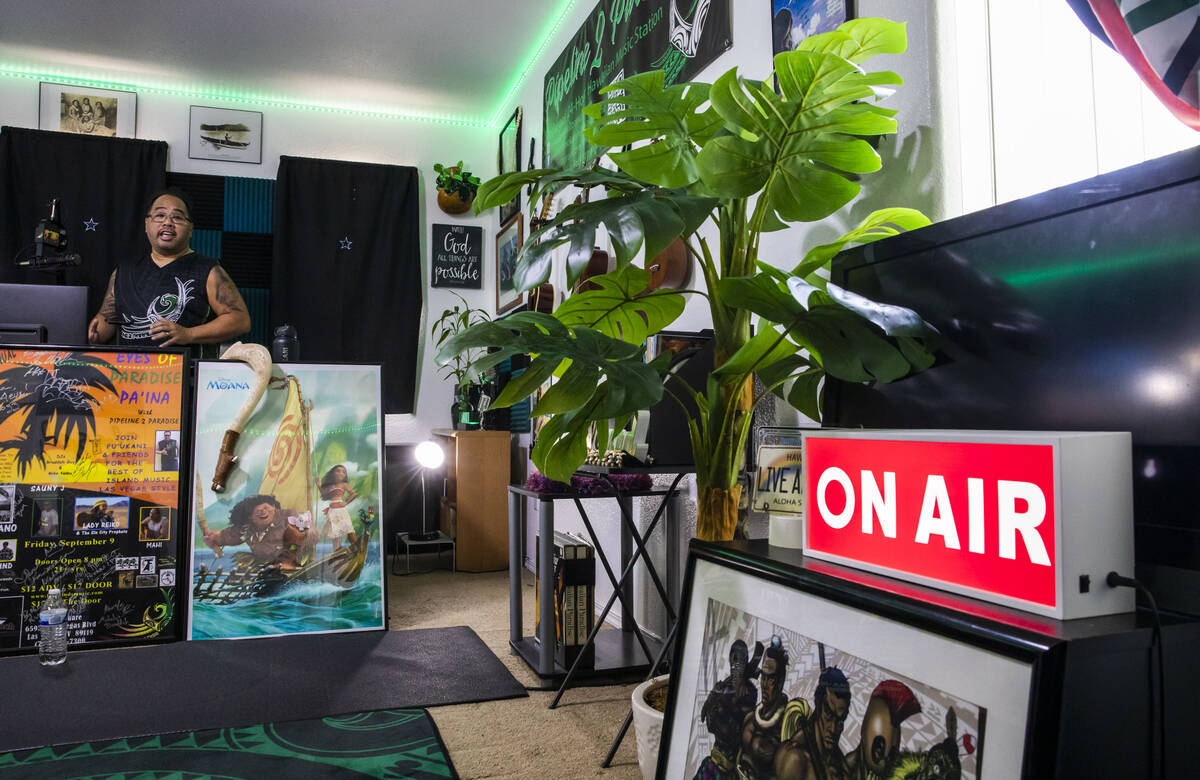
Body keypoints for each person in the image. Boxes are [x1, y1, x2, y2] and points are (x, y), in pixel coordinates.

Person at [87, 187, 251, 356]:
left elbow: (240, 320)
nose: (168, 222)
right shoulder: (123, 272)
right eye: (160, 215)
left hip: (185, 376)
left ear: (190, 229)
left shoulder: (208, 270)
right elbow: (106, 320)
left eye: (177, 217)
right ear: (146, 224)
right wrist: (96, 335)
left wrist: (188, 334)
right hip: (129, 374)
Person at [695, 639, 764, 779]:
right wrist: (725, 700)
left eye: (740, 658)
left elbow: (740, 726)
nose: (736, 662)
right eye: (734, 657)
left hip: (737, 765)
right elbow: (710, 722)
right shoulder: (722, 688)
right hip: (717, 760)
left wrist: (732, 701)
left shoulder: (749, 691)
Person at [774, 666, 853, 780]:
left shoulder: (841, 766)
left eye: (840, 721)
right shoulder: (795, 759)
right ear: (818, 705)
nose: (833, 728)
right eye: (829, 715)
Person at [202, 494, 308, 569]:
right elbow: (228, 536)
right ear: (250, 518)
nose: (262, 512)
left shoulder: (290, 516)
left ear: (274, 507)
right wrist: (213, 538)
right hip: (266, 568)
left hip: (293, 564)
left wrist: (288, 560)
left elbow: (310, 532)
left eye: (266, 507)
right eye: (257, 512)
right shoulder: (248, 528)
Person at [737, 636, 790, 779]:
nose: (764, 684)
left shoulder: (787, 726)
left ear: (780, 683)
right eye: (763, 677)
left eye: (771, 678)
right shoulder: (752, 715)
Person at [320, 464, 358, 552]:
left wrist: (345, 502)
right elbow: (324, 494)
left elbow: (353, 494)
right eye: (338, 471)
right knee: (335, 532)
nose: (341, 473)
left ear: (345, 475)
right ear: (333, 473)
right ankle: (337, 551)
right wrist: (318, 484)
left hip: (341, 510)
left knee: (349, 529)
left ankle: (357, 548)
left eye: (343, 472)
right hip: (332, 511)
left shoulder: (344, 484)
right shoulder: (329, 485)